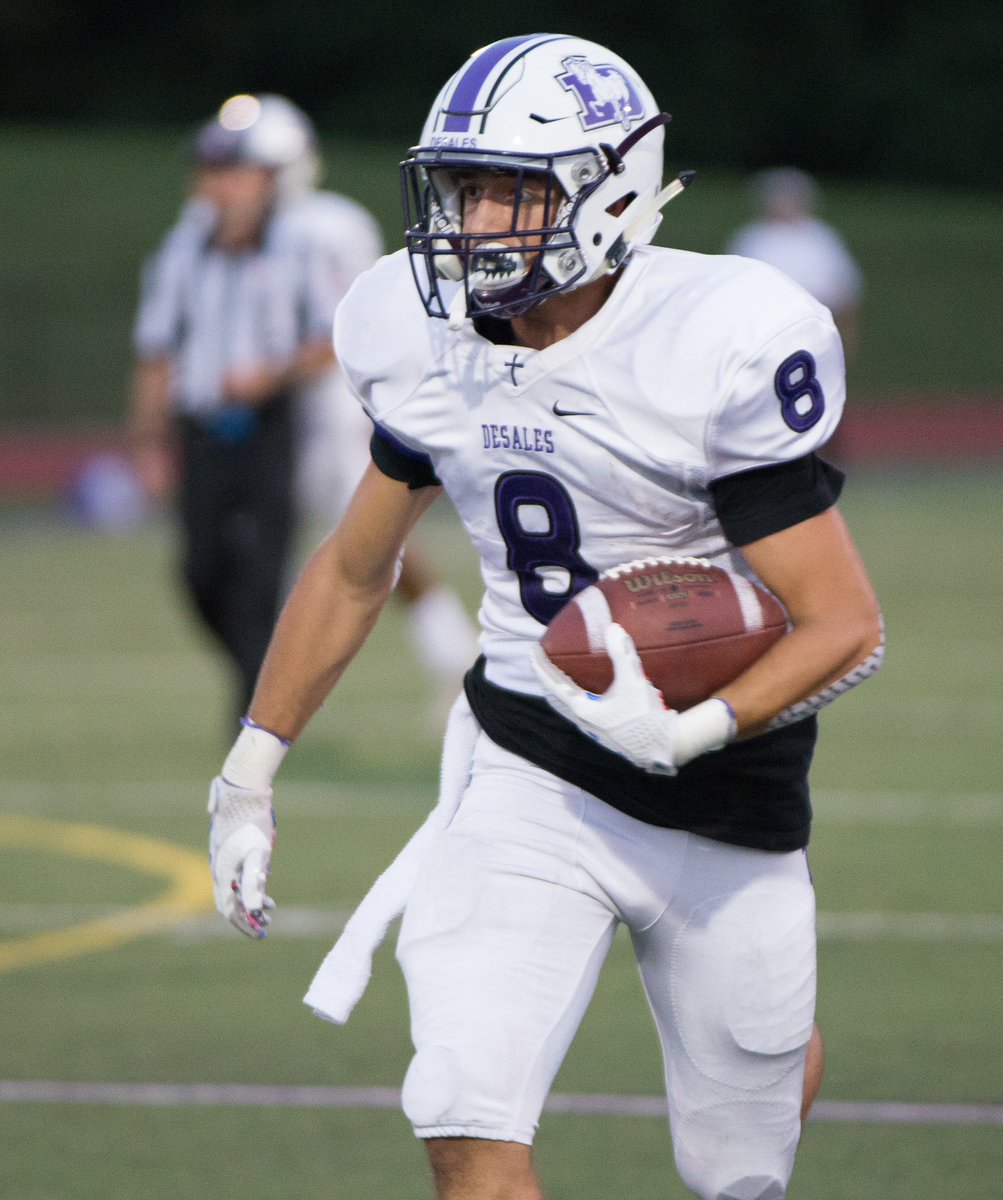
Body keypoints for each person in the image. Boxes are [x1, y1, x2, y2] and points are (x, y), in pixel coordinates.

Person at [207, 36, 884, 1200]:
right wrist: (250, 768)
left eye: (511, 191)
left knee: (739, 1167)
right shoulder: (430, 342)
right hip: (527, 763)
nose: (471, 223)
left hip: (728, 786)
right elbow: (355, 568)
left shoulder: (715, 341)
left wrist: (685, 730)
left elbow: (843, 625)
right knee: (463, 1115)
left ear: (612, 192)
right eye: (463, 190)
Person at [128, 93, 477, 723]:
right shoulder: (194, 239)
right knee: (267, 558)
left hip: (328, 403)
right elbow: (163, 340)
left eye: (240, 166)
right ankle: (292, 670)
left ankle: (447, 651)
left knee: (364, 538)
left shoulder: (325, 227)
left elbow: (358, 325)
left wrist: (280, 373)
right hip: (245, 420)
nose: (220, 181)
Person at [725, 167, 864, 359]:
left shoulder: (821, 237)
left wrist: (845, 340)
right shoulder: (753, 238)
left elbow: (844, 292)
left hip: (815, 327)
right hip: (766, 330)